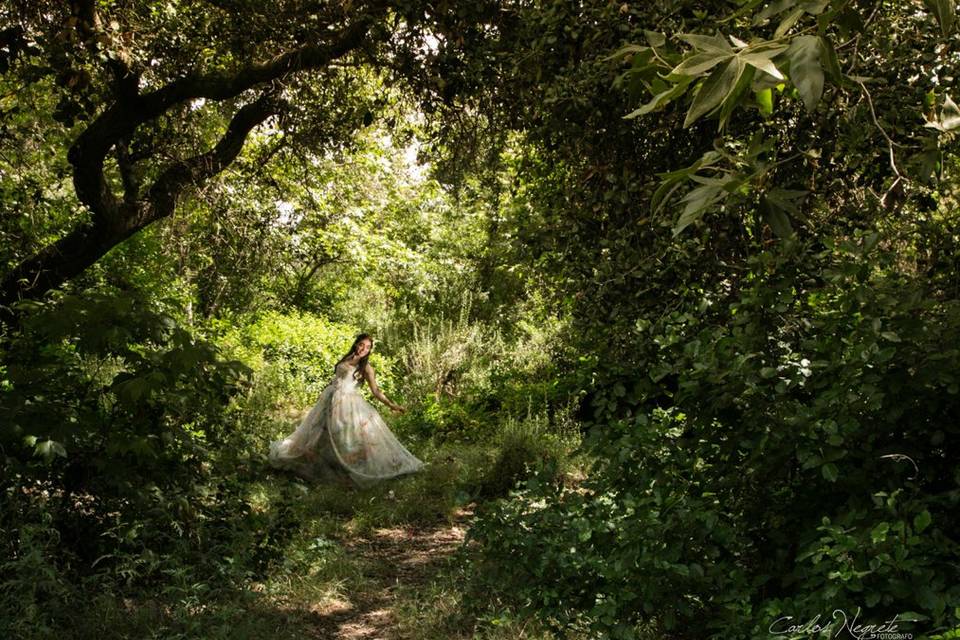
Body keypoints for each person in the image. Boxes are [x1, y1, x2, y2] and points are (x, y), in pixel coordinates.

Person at [268, 333, 424, 487]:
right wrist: (326, 393)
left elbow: (375, 391)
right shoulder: (347, 358)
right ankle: (320, 464)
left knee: (345, 435)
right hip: (330, 398)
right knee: (319, 431)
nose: (364, 349)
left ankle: (347, 469)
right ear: (356, 344)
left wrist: (391, 405)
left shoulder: (367, 368)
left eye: (368, 347)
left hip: (348, 403)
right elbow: (336, 378)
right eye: (362, 344)